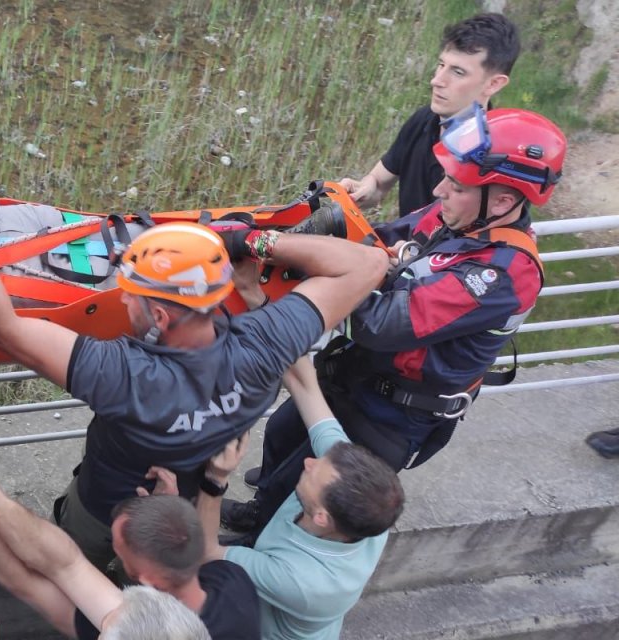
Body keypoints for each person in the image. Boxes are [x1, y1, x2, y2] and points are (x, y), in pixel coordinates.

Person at [0, 167, 386, 570]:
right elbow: (366, 265)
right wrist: (253, 239)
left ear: (158, 317)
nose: (125, 301)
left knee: (77, 569)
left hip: (101, 510)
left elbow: (5, 326)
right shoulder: (263, 344)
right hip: (184, 507)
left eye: (130, 296)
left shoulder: (124, 375)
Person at [228, 106, 566, 539]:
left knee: (307, 490)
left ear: (502, 201)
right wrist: (310, 233)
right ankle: (260, 513)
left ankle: (260, 549)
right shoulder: (453, 216)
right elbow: (379, 242)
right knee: (280, 433)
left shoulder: (503, 272)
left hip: (393, 412)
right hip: (353, 375)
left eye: (457, 184)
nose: (440, 189)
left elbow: (380, 324)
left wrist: (299, 262)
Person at [0, 409, 258, 639]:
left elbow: (24, 578)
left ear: (145, 581)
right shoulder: (233, 587)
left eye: (120, 550)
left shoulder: (126, 631)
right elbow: (67, 565)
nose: (107, 620)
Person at [198, 355, 405, 639]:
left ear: (321, 517)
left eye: (312, 473)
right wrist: (281, 324)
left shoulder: (301, 581)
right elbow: (305, 386)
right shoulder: (364, 505)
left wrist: (216, 479)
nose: (309, 462)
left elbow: (207, 553)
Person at [339, 13, 520, 218]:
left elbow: (476, 244)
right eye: (441, 65)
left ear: (494, 84)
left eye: (458, 72)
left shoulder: (495, 159)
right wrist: (365, 188)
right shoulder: (425, 118)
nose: (437, 80)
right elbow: (379, 182)